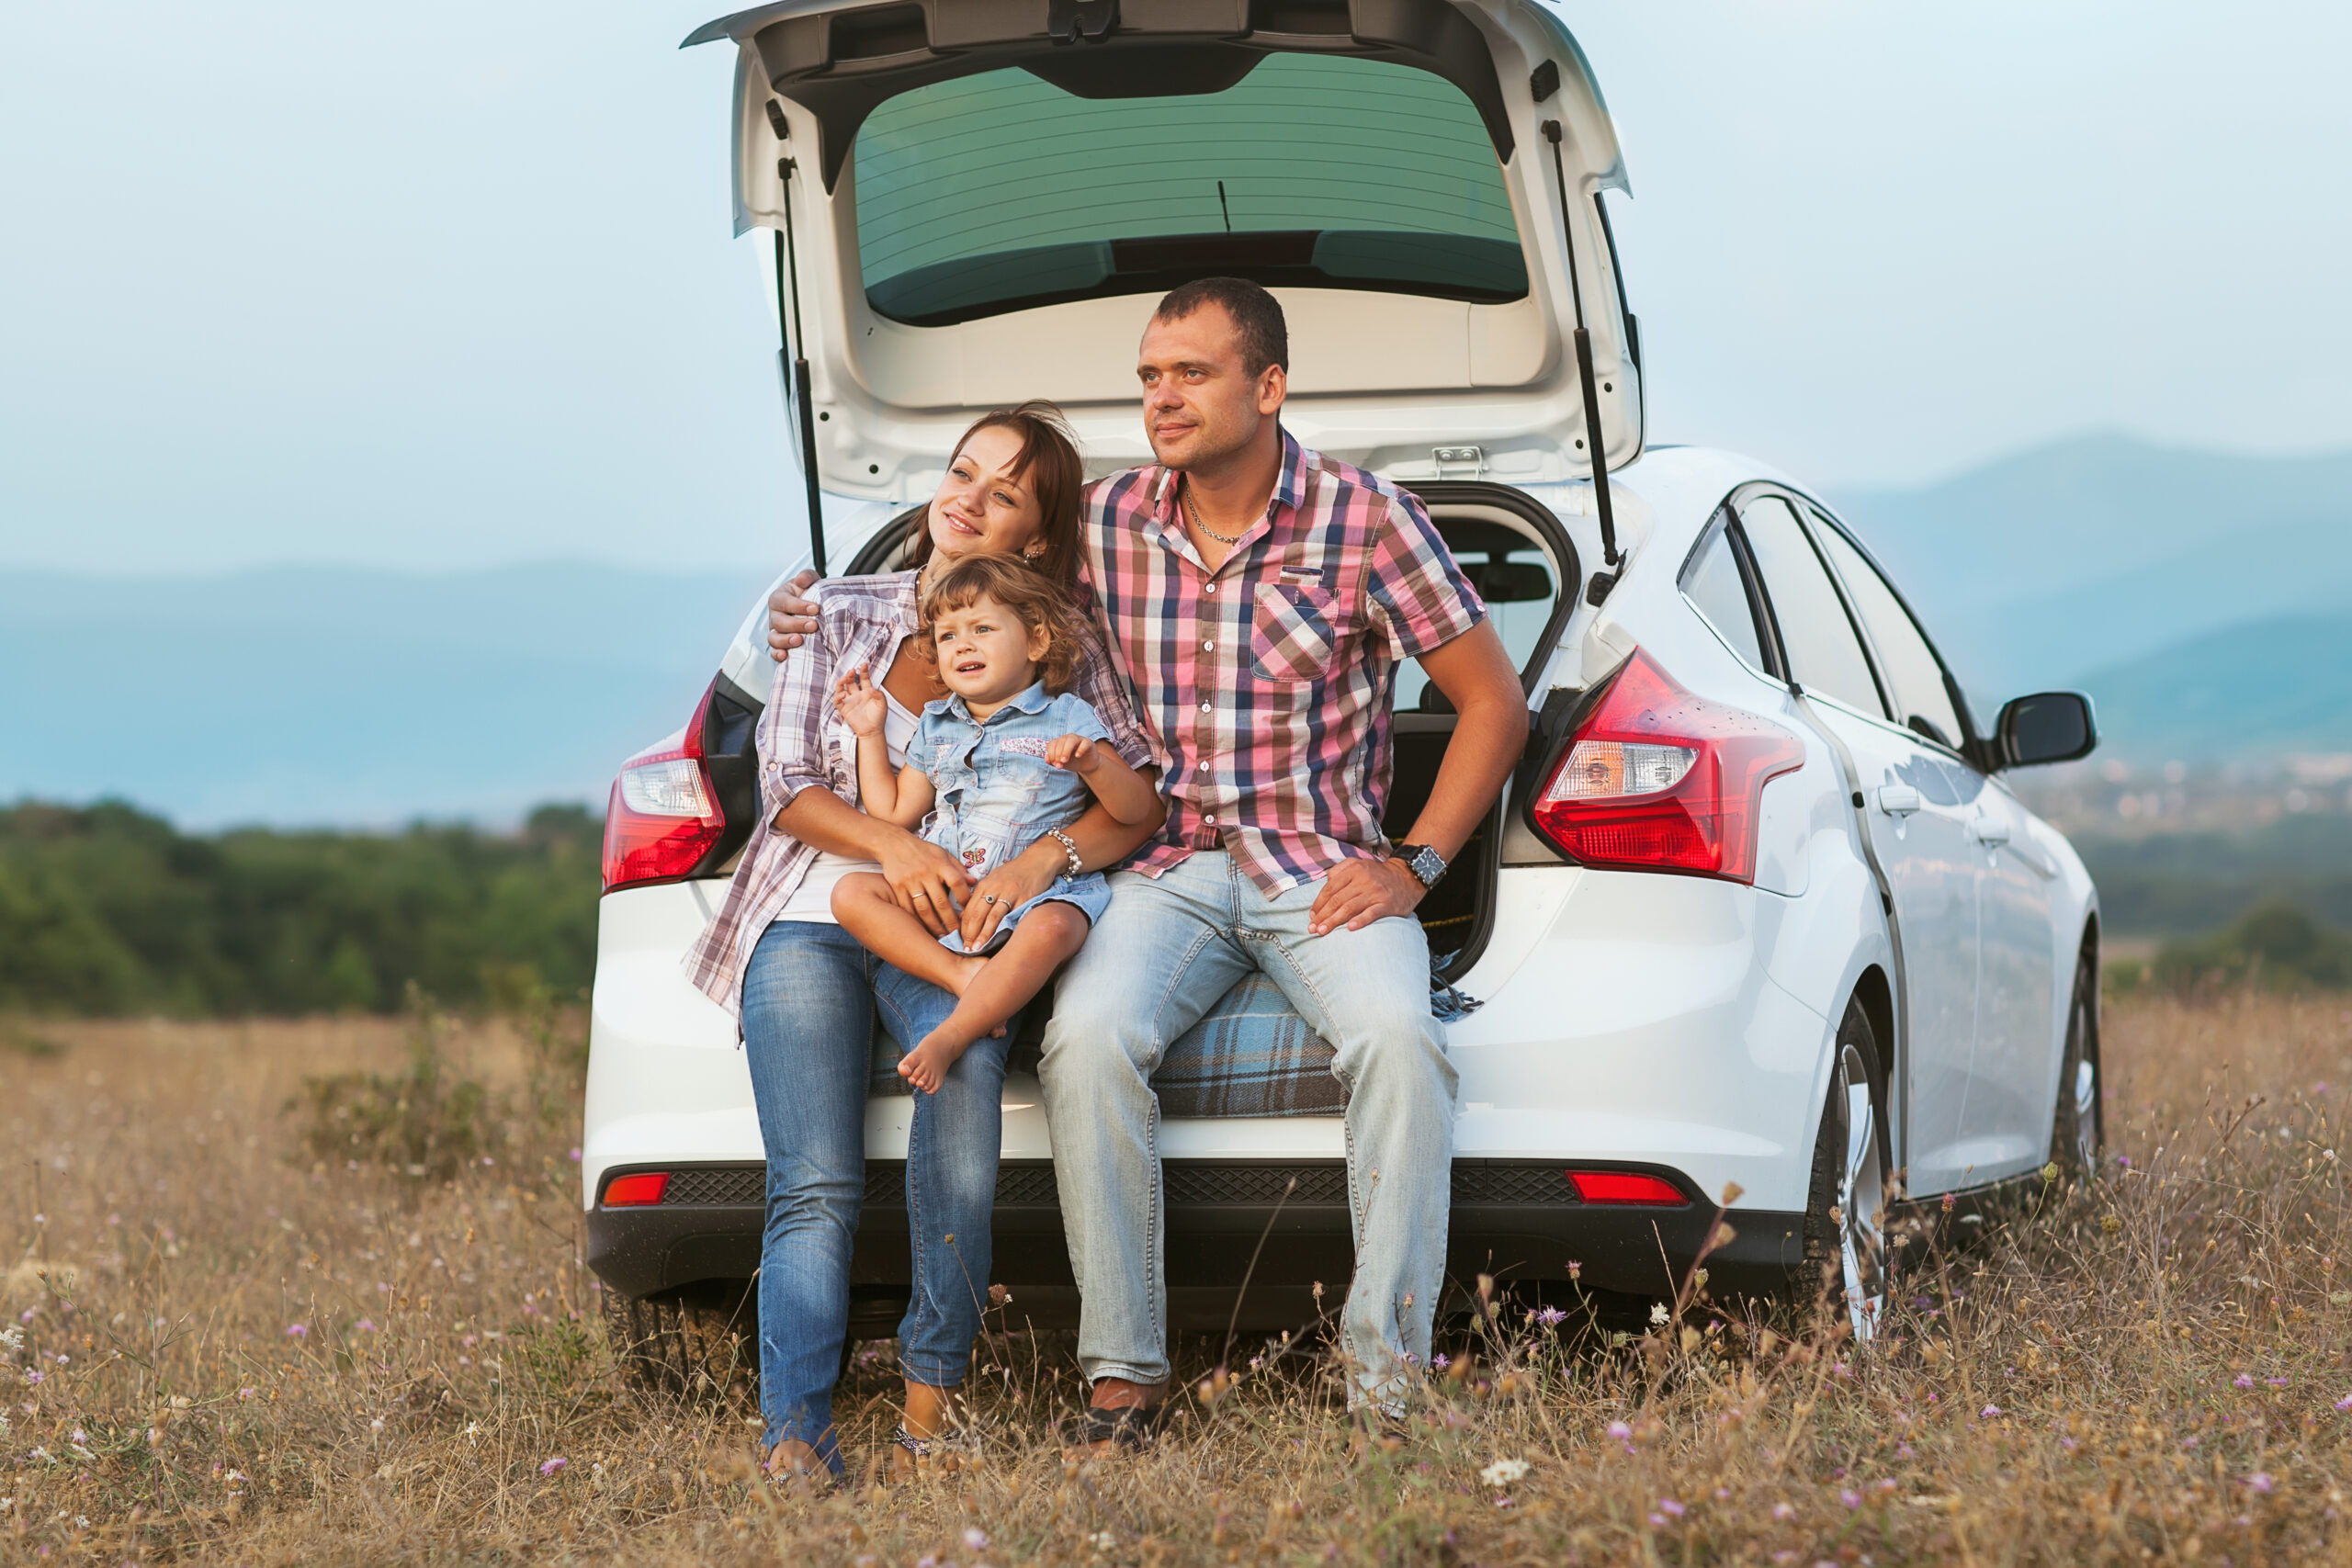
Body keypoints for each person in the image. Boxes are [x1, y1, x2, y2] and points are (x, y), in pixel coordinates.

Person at [765, 278, 1528, 1443]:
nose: (1161, 398)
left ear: (1267, 387)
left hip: (1316, 861)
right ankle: (1122, 1384)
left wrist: (1415, 868)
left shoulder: (1368, 519)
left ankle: (1388, 1388)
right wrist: (813, 616)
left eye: (1191, 373)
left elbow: (1492, 706)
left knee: (1398, 1043)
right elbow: (971, 618)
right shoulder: (1111, 525)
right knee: (1085, 1043)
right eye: (1149, 376)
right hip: (1155, 871)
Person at [684, 402, 1159, 1483]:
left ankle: (925, 1421)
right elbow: (789, 790)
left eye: (1002, 493)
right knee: (813, 1181)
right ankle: (796, 1440)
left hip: (951, 930)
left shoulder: (1052, 643)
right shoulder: (832, 613)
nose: (966, 499)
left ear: (1034, 538)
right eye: (960, 473)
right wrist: (892, 853)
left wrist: (1045, 862)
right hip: (812, 918)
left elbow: (1135, 794)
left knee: (961, 1154)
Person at [831, 554, 1161, 1093]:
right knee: (850, 893)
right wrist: (871, 733)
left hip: (1041, 892)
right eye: (947, 636)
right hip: (951, 893)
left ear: (1035, 642)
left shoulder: (1067, 714)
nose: (963, 645)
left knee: (1058, 927)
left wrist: (1095, 765)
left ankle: (955, 1034)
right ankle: (959, 974)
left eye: (982, 628)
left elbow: (1134, 811)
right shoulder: (937, 725)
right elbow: (892, 813)